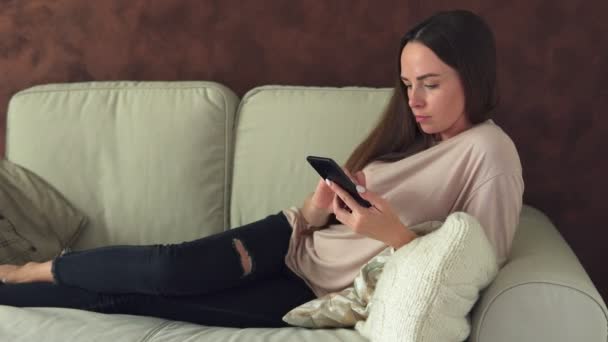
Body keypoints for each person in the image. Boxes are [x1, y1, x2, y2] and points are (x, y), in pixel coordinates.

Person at [0, 9, 523, 328]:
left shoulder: (489, 153)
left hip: (311, 290)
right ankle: (30, 269)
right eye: (408, 84)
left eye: (430, 83)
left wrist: (393, 235)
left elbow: (478, 266)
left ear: (472, 77)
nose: (415, 100)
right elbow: (327, 222)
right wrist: (320, 208)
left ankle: (12, 285)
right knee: (165, 268)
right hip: (290, 237)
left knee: (138, 296)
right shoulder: (415, 136)